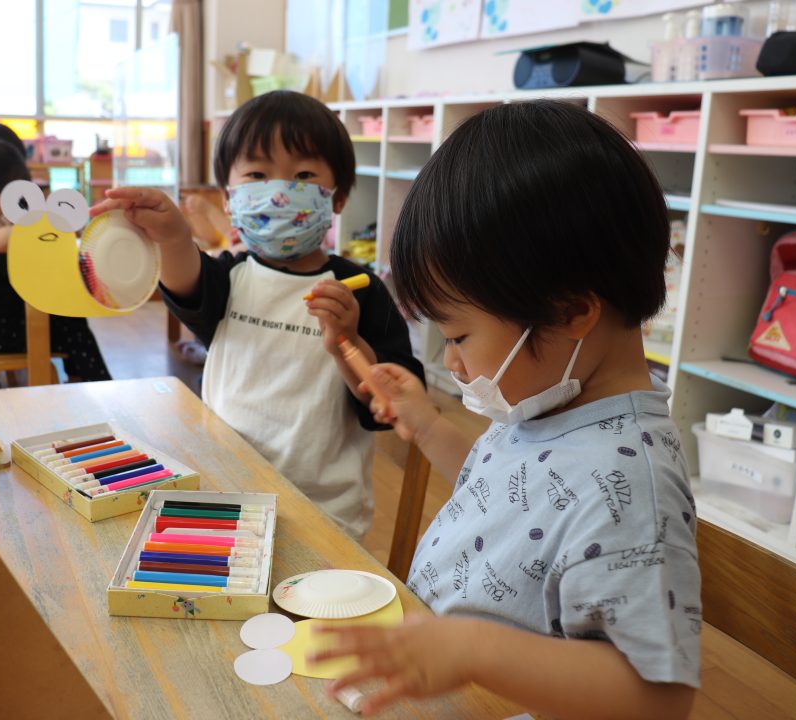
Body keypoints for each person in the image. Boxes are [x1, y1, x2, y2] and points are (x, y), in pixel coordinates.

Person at [313, 100, 700, 719]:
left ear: (571, 312)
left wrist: (474, 650)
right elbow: (510, 490)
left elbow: (658, 699)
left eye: (459, 336)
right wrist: (428, 424)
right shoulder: (555, 402)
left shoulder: (630, 482)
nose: (452, 361)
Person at [91, 90, 424, 538]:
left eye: (303, 175)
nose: (280, 191)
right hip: (224, 493)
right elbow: (184, 276)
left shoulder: (360, 291)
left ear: (338, 196)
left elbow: (392, 402)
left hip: (324, 513)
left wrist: (348, 342)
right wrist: (171, 233)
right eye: (257, 174)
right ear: (230, 198)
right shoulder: (230, 277)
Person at [0, 139, 111, 382]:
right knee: (71, 323)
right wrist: (44, 224)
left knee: (69, 317)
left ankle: (80, 381)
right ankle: (91, 385)